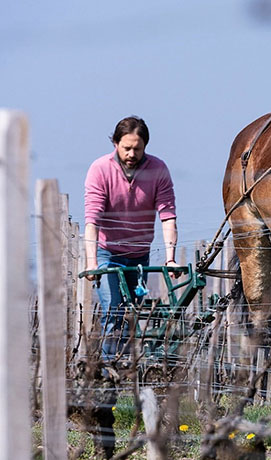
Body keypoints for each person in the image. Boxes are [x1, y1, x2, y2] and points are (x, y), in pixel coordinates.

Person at [84, 116, 179, 361]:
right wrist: (92, 262)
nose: (132, 153)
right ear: (115, 143)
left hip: (139, 257)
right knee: (113, 311)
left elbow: (167, 216)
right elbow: (92, 220)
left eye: (137, 148)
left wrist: (170, 259)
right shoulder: (100, 169)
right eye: (126, 148)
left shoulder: (158, 170)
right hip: (107, 253)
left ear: (145, 146)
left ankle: (126, 371)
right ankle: (109, 374)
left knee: (131, 315)